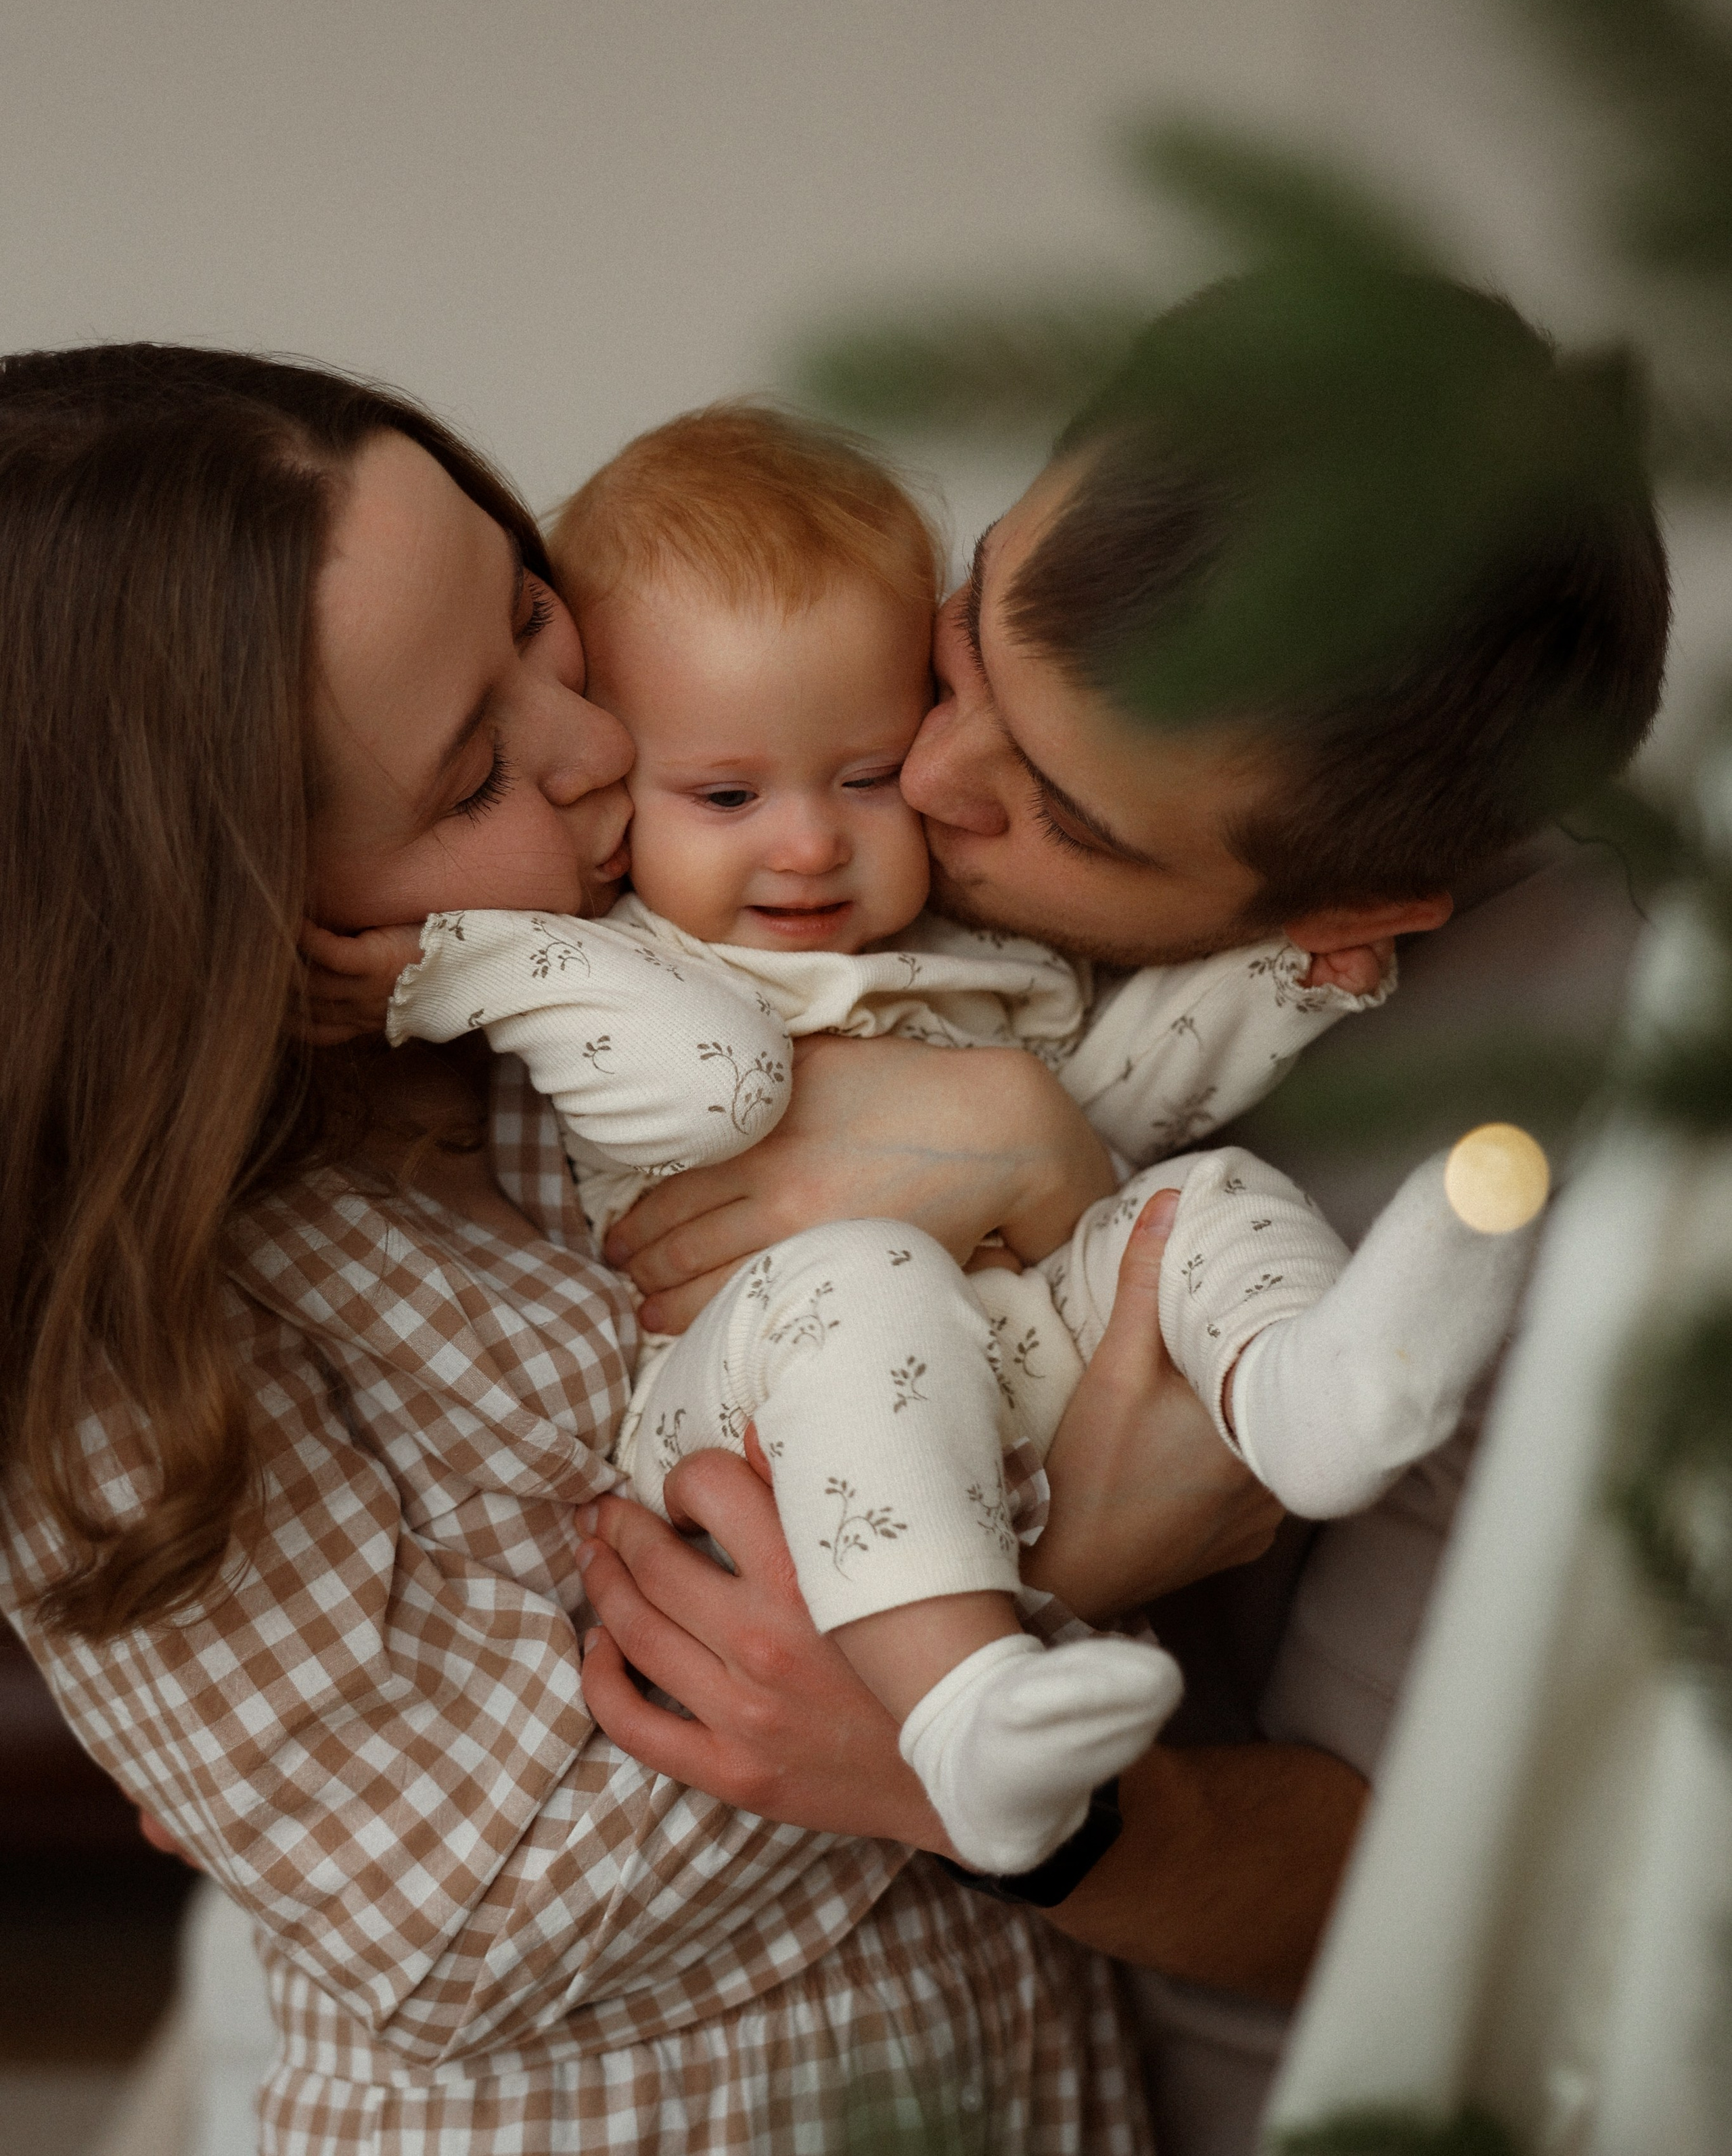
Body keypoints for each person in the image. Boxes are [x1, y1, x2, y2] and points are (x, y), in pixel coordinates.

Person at [0, 343, 1193, 2154]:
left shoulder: (615, 999)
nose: (601, 741)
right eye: (479, 763)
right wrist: (1058, 1562)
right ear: (242, 923)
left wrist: (1033, 1139)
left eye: (534, 613)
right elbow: (463, 1932)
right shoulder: (129, 1357)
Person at [549, 273, 1669, 2084]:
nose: (917, 770)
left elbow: (1409, 1883)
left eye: (1062, 816)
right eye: (977, 626)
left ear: (1349, 922)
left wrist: (944, 1752)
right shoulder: (775, 724)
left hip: (1093, 2026)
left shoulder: (1565, 1110)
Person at [380, 402, 1541, 1880]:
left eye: (860, 770)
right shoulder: (631, 958)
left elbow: (1107, 1094)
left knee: (1202, 1199)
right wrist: (467, 954)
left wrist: (1291, 975)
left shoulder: (965, 945)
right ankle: (959, 1709)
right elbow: (697, 1087)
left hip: (1022, 1371)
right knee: (858, 1277)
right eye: (728, 795)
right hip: (768, 1407)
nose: (815, 840)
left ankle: (1307, 1387)